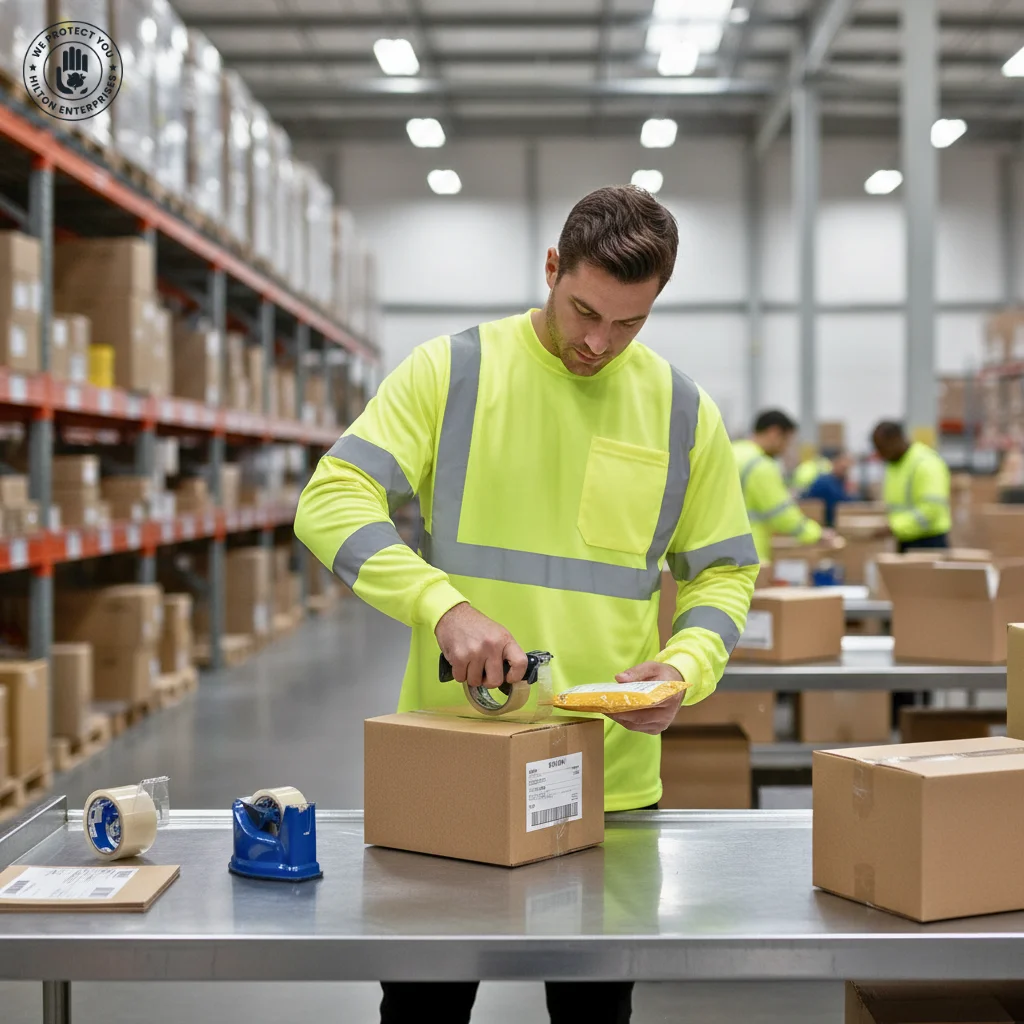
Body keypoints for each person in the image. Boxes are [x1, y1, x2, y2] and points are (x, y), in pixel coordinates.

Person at [294, 184, 758, 1024]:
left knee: (591, 1015)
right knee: (425, 1010)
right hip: (452, 755)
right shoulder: (454, 370)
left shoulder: (683, 412)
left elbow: (724, 572)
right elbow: (331, 500)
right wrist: (441, 606)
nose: (597, 342)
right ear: (551, 266)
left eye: (629, 324)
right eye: (584, 309)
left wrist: (684, 668)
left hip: (605, 779)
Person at [733, 410, 834, 563]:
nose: (785, 448)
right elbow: (781, 514)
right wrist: (816, 534)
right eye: (786, 441)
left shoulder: (732, 452)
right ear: (774, 433)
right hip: (747, 552)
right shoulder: (759, 465)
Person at [871, 421, 951, 552]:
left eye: (881, 447)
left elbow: (931, 511)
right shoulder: (895, 464)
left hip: (929, 544)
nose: (880, 454)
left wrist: (894, 526)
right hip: (905, 539)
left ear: (895, 440)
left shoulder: (926, 464)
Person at [803, 451, 856, 529]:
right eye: (843, 468)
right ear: (834, 463)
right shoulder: (826, 482)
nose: (846, 471)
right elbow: (841, 503)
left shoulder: (839, 482)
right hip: (823, 525)